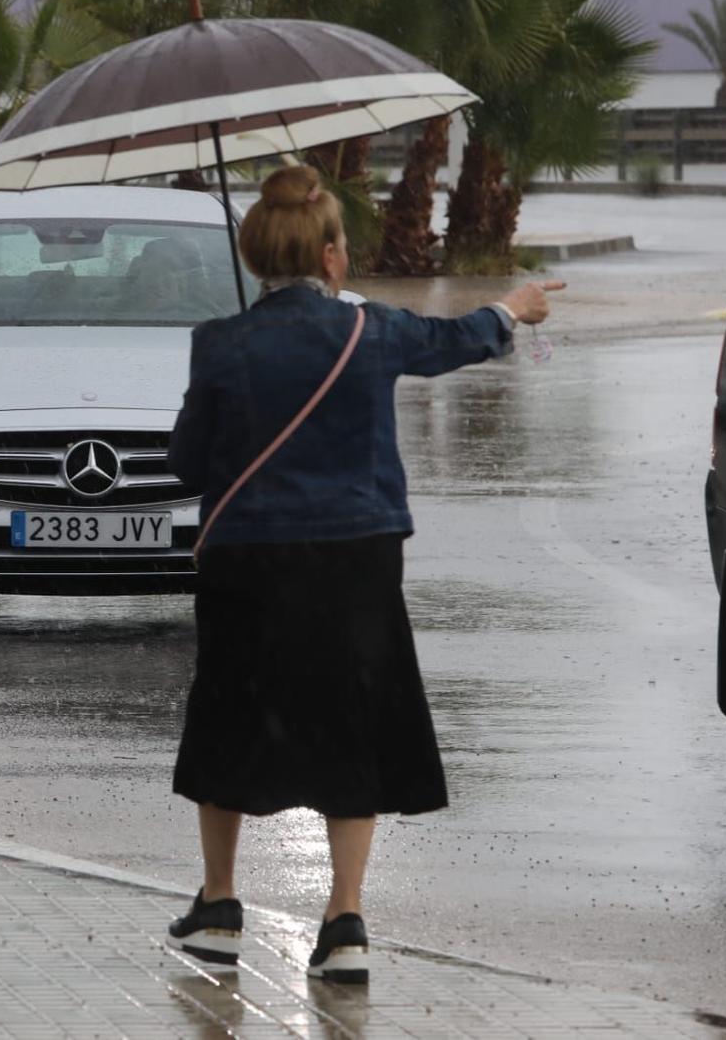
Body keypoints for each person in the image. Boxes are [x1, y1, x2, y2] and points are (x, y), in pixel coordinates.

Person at [162, 164, 561, 985]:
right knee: (351, 721)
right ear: (334, 256)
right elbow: (450, 342)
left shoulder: (220, 343)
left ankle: (221, 905)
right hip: (357, 555)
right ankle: (344, 920)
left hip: (247, 558)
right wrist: (510, 310)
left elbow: (183, 463)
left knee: (231, 714)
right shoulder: (368, 331)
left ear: (257, 255)